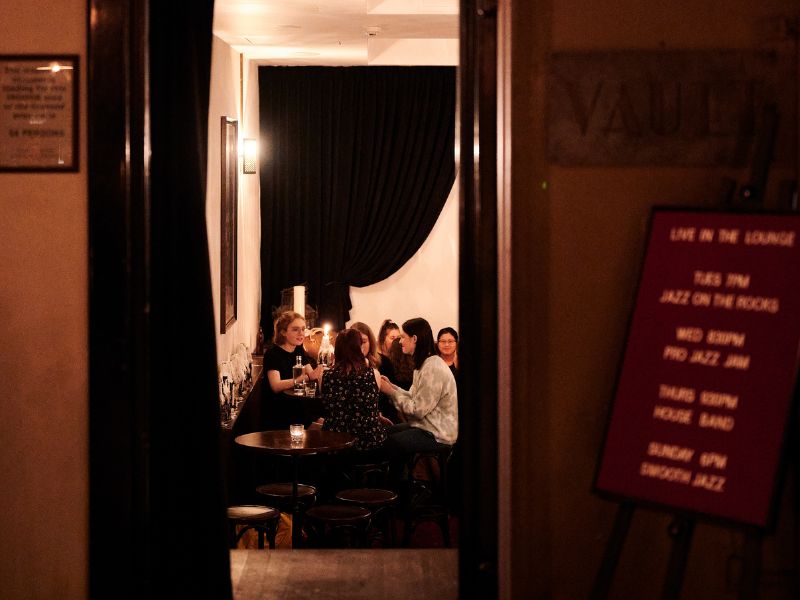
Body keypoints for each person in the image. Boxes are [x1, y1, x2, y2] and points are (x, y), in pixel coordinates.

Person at [380, 318, 458, 475]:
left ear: (414, 338)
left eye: (402, 337)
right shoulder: (425, 363)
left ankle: (400, 492)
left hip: (437, 433)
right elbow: (414, 397)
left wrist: (389, 391)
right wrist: (392, 387)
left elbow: (416, 410)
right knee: (382, 434)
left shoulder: (432, 367)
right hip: (425, 426)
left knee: (387, 444)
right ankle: (402, 488)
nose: (400, 342)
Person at [319, 329, 389, 464]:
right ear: (359, 348)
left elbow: (332, 403)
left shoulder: (325, 376)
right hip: (369, 443)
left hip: (335, 444)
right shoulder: (373, 374)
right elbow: (369, 403)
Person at [262, 311, 324, 430]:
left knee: (331, 422)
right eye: (295, 329)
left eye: (303, 329)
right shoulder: (272, 354)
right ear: (283, 332)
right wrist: (304, 378)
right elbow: (275, 386)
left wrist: (321, 371)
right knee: (326, 429)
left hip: (299, 407)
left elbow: (311, 375)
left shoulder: (299, 350)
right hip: (281, 411)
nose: (301, 333)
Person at [350, 321, 400, 424]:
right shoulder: (345, 366)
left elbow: (390, 398)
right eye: (356, 342)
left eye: (363, 341)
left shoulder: (383, 362)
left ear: (370, 342)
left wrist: (380, 412)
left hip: (384, 413)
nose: (360, 346)